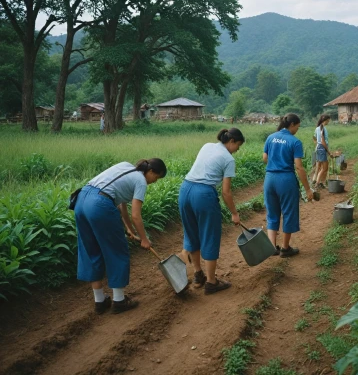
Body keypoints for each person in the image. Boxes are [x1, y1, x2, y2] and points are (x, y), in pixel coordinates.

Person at [74, 158, 167, 314]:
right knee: (117, 251)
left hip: (81, 200)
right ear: (151, 172)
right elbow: (136, 215)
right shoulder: (141, 181)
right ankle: (119, 301)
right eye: (156, 178)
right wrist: (144, 239)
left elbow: (122, 204)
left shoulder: (126, 167)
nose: (154, 182)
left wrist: (129, 229)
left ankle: (100, 301)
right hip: (99, 205)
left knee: (91, 250)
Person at [178, 128, 244, 295]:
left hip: (185, 190)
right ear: (232, 141)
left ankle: (198, 274)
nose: (238, 149)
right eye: (238, 145)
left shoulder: (207, 146)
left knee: (192, 233)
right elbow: (226, 192)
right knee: (209, 235)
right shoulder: (228, 159)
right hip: (203, 194)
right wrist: (234, 213)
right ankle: (211, 282)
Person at [263, 113, 314, 258]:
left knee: (272, 214)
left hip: (270, 179)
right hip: (286, 180)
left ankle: (272, 247)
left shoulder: (271, 137)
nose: (297, 129)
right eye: (298, 126)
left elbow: (265, 158)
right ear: (292, 125)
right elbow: (299, 167)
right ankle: (285, 248)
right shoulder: (295, 142)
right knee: (289, 213)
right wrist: (308, 189)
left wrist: (275, 164)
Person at [313, 114, 333, 189]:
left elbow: (314, 138)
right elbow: (323, 141)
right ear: (326, 120)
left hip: (319, 148)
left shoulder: (318, 128)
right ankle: (317, 184)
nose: (328, 122)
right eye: (328, 120)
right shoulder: (322, 129)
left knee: (320, 167)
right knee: (324, 168)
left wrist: (317, 145)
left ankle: (319, 182)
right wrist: (328, 151)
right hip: (322, 148)